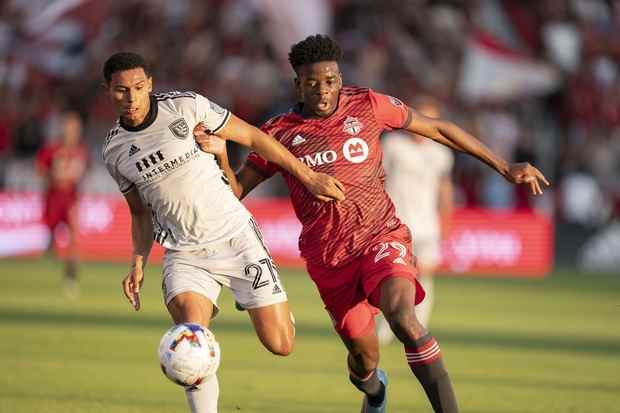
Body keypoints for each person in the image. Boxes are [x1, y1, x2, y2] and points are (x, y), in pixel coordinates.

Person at [196, 35, 549, 413]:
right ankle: (375, 392)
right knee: (364, 360)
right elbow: (235, 191)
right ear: (297, 83)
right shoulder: (278, 133)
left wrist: (503, 166)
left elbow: (438, 129)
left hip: (381, 237)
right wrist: (219, 157)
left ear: (340, 78)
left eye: (330, 80)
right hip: (330, 260)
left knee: (404, 320)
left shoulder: (367, 104)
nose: (322, 90)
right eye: (312, 82)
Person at [101, 52, 344, 413]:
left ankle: (275, 310)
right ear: (108, 92)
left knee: (281, 344)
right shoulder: (115, 151)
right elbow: (139, 213)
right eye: (121, 90)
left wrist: (308, 177)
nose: (132, 98)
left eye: (138, 87)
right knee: (190, 341)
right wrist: (138, 261)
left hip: (235, 237)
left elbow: (254, 137)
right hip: (185, 252)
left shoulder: (186, 107)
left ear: (150, 84)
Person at [376, 96, 454, 344]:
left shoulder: (441, 152)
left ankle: (418, 329)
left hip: (427, 225)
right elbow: (378, 178)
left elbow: (444, 187)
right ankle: (386, 329)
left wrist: (447, 218)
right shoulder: (393, 144)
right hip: (396, 224)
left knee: (425, 277)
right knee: (392, 277)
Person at [36, 111, 89, 297]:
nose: (71, 132)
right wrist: (52, 178)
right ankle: (48, 261)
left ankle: (71, 277)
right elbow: (40, 167)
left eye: (74, 128)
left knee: (74, 238)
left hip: (71, 199)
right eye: (69, 128)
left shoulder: (81, 150)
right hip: (53, 198)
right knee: (51, 235)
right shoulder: (52, 149)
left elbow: (85, 171)